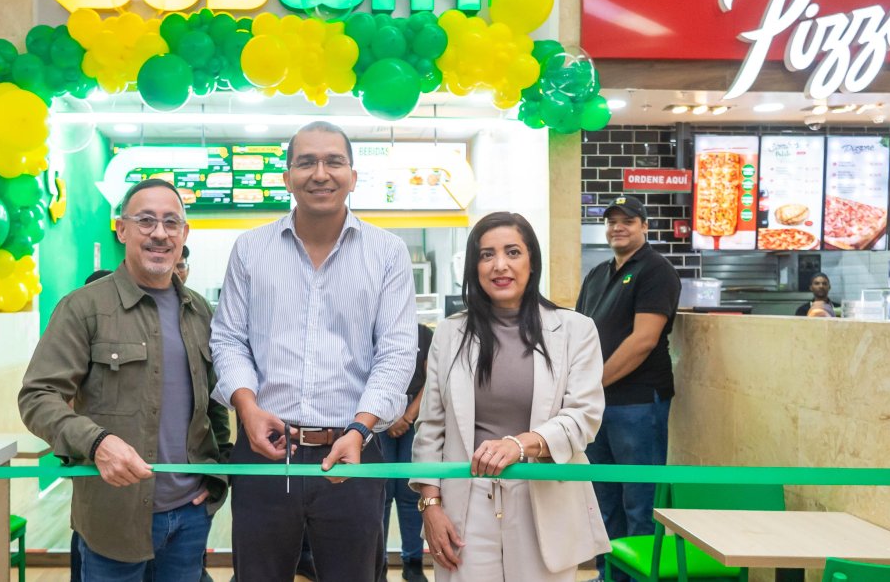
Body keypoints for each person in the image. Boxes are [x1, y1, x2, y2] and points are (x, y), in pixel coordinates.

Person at [211, 121, 417, 581]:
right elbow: (227, 339)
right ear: (287, 176)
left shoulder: (387, 253)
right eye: (306, 162)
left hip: (353, 451)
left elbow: (398, 352)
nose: (320, 173)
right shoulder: (250, 249)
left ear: (352, 175)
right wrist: (247, 409)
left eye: (333, 161)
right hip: (264, 450)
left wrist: (360, 429)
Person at [20, 178, 231, 582]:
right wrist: (96, 442)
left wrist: (216, 477)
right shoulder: (83, 308)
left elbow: (214, 404)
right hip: (112, 518)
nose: (159, 233)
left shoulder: (199, 312)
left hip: (190, 517)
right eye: (146, 220)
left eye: (172, 222)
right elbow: (38, 396)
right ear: (121, 229)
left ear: (184, 234)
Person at [411, 212, 609, 581]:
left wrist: (522, 445)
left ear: (531, 261)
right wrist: (430, 504)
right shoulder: (451, 334)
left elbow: (584, 416)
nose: (499, 265)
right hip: (465, 505)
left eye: (513, 252)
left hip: (545, 501)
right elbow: (431, 428)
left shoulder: (575, 330)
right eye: (486, 255)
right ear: (474, 266)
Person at [575, 196, 681, 578]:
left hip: (638, 405)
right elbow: (579, 333)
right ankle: (610, 575)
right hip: (598, 408)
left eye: (628, 220)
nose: (618, 227)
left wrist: (591, 385)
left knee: (640, 503)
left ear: (645, 226)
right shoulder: (599, 273)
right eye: (612, 221)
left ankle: (640, 577)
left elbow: (643, 342)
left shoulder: (656, 271)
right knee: (604, 501)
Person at [380, 323, 433, 582]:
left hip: (415, 418)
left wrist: (408, 416)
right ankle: (376, 564)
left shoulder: (423, 333)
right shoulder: (373, 331)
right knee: (380, 492)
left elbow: (432, 379)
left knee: (409, 492)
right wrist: (387, 417)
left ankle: (413, 563)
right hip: (376, 418)